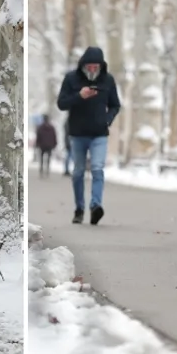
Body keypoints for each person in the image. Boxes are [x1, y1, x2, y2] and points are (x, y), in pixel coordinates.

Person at [57, 46, 121, 225]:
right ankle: (79, 208)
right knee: (78, 172)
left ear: (101, 66)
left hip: (99, 134)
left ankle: (95, 206)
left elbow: (115, 105)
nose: (92, 71)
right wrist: (79, 96)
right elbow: (61, 104)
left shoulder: (107, 81)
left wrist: (107, 120)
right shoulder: (71, 79)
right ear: (83, 65)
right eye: (89, 67)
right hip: (78, 134)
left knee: (97, 168)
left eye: (96, 67)